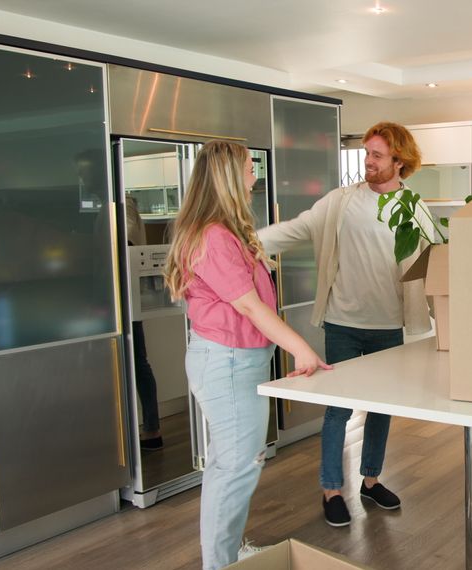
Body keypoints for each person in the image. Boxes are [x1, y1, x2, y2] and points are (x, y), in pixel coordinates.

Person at [163, 140, 332, 570]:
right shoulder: (214, 237)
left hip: (234, 359)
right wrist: (302, 348)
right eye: (248, 166)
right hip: (228, 361)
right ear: (228, 177)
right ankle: (220, 563)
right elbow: (250, 307)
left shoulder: (223, 231)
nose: (255, 173)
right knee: (237, 468)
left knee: (230, 466)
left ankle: (230, 551)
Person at [257, 121, 433, 528]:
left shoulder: (414, 210)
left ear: (398, 162)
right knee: (338, 410)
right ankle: (332, 489)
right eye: (366, 153)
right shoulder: (340, 201)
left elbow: (432, 265)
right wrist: (249, 241)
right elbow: (296, 228)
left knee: (381, 410)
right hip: (342, 323)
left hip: (389, 326)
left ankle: (371, 481)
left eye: (376, 155)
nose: (367, 162)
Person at [124, 194, 164, 450]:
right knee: (138, 363)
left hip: (126, 299)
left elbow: (126, 235)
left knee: (138, 363)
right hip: (125, 297)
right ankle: (147, 429)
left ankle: (151, 429)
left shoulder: (122, 202)